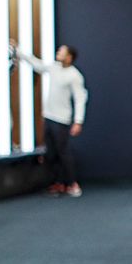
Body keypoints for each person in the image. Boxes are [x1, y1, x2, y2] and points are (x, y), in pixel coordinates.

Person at [9, 41, 88, 197]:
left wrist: (78, 121)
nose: (58, 53)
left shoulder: (74, 75)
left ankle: (72, 184)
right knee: (50, 153)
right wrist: (18, 51)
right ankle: (57, 183)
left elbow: (80, 98)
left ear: (69, 57)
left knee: (63, 152)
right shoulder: (53, 68)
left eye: (62, 52)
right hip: (49, 117)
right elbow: (37, 64)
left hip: (62, 120)